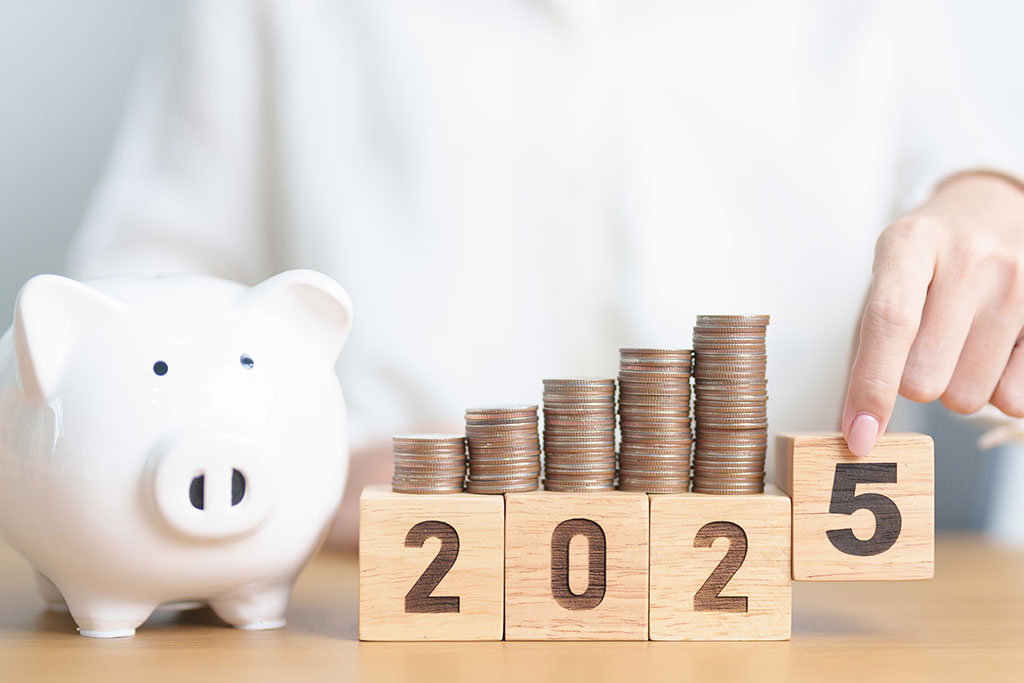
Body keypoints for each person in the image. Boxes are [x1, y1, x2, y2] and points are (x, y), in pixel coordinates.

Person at [67, 0, 1024, 548]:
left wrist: (994, 201)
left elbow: (973, 197)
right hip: (376, 578)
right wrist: (300, 465)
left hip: (786, 593)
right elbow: (128, 307)